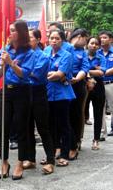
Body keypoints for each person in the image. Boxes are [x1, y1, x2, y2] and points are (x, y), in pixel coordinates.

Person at [0, 20, 34, 180]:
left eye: (13, 30)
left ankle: (19, 162)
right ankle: (4, 161)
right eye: (10, 30)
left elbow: (24, 74)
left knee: (21, 128)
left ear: (22, 32)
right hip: (6, 91)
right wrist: (3, 65)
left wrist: (11, 63)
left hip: (22, 92)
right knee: (3, 127)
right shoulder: (5, 50)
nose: (10, 33)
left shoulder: (29, 52)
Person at [24, 28, 54, 174]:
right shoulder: (22, 55)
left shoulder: (42, 56)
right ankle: (30, 159)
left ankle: (50, 160)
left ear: (37, 39)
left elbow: (34, 74)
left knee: (43, 128)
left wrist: (19, 69)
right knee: (27, 127)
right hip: (24, 93)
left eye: (30, 37)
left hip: (38, 93)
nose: (28, 40)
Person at [44, 29, 75, 167]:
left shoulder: (67, 55)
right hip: (47, 94)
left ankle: (64, 154)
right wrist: (50, 74)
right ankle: (51, 155)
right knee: (50, 126)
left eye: (57, 38)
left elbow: (60, 74)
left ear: (62, 40)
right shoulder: (45, 52)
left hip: (62, 94)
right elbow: (42, 70)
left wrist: (49, 74)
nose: (54, 40)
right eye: (52, 38)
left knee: (64, 125)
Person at [68, 28, 89, 160]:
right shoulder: (65, 47)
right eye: (85, 39)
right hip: (62, 83)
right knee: (64, 115)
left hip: (77, 83)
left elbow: (85, 68)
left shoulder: (83, 52)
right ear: (79, 37)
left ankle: (74, 143)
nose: (86, 42)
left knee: (76, 114)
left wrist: (78, 78)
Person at [85, 36, 106, 150]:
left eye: (96, 44)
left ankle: (96, 140)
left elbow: (102, 72)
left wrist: (87, 70)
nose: (94, 45)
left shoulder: (101, 57)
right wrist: (94, 69)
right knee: (81, 114)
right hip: (84, 86)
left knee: (98, 114)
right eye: (92, 43)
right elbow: (78, 69)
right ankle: (78, 140)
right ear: (87, 44)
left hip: (98, 87)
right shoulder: (82, 56)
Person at [97, 31, 113, 137]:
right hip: (99, 83)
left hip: (110, 83)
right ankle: (102, 132)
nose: (102, 39)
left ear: (111, 39)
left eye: (105, 37)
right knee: (99, 108)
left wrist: (103, 71)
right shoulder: (97, 52)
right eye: (101, 38)